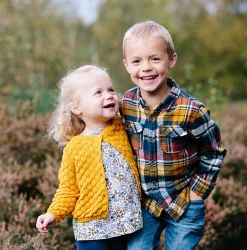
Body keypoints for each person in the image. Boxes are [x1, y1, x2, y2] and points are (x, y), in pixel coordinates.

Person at [120, 20, 227, 250]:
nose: (146, 67)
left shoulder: (191, 110)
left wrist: (197, 193)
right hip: (144, 203)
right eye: (137, 61)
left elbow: (214, 152)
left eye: (155, 58)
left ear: (172, 59)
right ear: (126, 65)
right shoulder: (125, 105)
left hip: (183, 201)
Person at [35, 65, 142, 250]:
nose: (109, 95)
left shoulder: (121, 126)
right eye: (98, 92)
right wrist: (53, 214)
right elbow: (68, 189)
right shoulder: (74, 148)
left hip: (128, 224)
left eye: (110, 90)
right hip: (92, 231)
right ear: (76, 107)